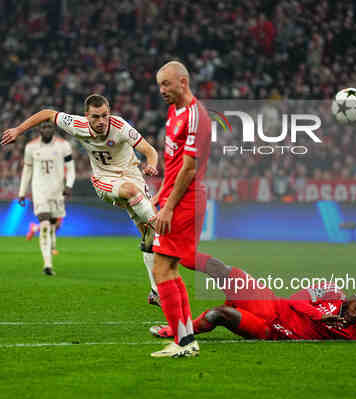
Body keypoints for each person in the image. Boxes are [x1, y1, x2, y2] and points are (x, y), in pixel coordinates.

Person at [1, 94, 160, 297]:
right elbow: (47, 114)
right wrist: (18, 130)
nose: (101, 121)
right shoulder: (77, 124)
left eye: (104, 115)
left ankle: (155, 291)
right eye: (95, 117)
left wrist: (152, 165)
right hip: (105, 179)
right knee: (136, 198)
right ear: (87, 116)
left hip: (133, 175)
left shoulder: (120, 127)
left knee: (149, 236)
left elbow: (149, 150)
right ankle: (161, 224)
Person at [150, 257, 356, 341]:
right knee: (221, 269)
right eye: (354, 307)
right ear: (352, 298)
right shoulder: (330, 291)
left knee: (219, 315)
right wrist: (318, 315)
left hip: (267, 329)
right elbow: (297, 299)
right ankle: (172, 250)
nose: (353, 315)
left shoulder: (354, 332)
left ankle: (179, 329)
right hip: (268, 303)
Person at [149, 61, 212, 358]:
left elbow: (188, 169)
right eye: (159, 85)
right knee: (170, 269)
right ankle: (186, 340)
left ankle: (184, 343)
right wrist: (159, 194)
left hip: (185, 201)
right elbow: (173, 163)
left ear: (183, 82)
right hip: (174, 197)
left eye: (166, 84)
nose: (162, 90)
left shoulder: (196, 115)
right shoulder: (174, 112)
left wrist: (169, 207)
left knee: (161, 269)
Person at [17, 122, 75, 275]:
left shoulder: (64, 145)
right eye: (43, 127)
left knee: (54, 225)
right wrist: (22, 192)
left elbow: (70, 168)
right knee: (44, 224)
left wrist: (69, 185)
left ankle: (47, 240)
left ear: (54, 129)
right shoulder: (30, 147)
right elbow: (27, 170)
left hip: (58, 191)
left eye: (49, 127)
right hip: (39, 191)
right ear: (39, 130)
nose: (47, 130)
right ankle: (47, 265)